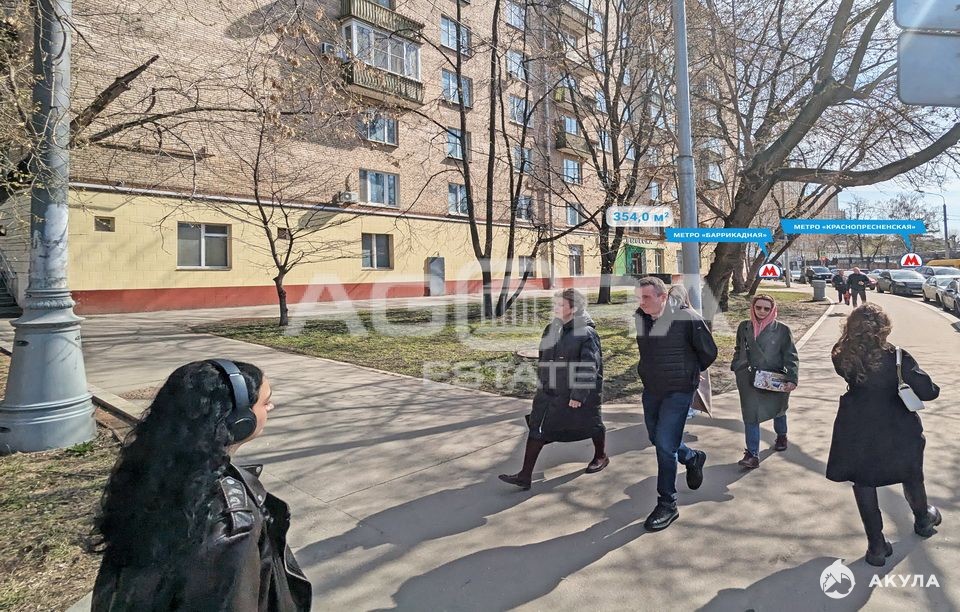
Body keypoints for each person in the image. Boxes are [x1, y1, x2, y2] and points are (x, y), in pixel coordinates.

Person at [90, 360, 312, 611]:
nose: (271, 407)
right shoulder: (231, 524)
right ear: (241, 421)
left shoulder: (155, 472)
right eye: (265, 402)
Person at [828, 304, 942, 567]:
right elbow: (928, 392)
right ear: (884, 328)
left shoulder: (841, 354)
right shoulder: (897, 357)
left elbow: (848, 374)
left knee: (864, 481)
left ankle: (876, 546)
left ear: (851, 326)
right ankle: (923, 520)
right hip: (897, 427)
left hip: (857, 427)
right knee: (911, 473)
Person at [499, 288, 606, 490]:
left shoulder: (587, 334)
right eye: (555, 304)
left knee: (591, 424)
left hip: (574, 392)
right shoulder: (551, 329)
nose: (555, 308)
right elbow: (544, 357)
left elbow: (590, 366)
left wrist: (578, 395)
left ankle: (600, 455)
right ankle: (525, 476)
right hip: (549, 391)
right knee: (537, 428)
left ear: (573, 308)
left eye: (560, 305)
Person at [634, 276, 718, 532]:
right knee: (656, 437)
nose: (641, 302)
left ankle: (667, 504)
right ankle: (692, 457)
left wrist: (689, 371)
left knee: (664, 446)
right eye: (638, 297)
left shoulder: (688, 319)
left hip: (679, 390)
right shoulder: (641, 318)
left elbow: (708, 352)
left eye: (646, 297)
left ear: (663, 297)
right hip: (652, 390)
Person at [731, 295, 799, 468]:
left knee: (778, 410)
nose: (761, 311)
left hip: (774, 378)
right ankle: (752, 454)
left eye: (766, 308)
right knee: (750, 415)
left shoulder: (782, 330)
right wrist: (736, 365)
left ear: (772, 309)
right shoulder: (744, 327)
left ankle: (781, 435)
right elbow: (738, 348)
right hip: (748, 378)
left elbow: (790, 355)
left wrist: (792, 378)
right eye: (758, 307)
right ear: (753, 308)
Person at [668, 284, 713, 420]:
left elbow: (705, 348)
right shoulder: (668, 316)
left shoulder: (690, 316)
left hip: (686, 367)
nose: (673, 300)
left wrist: (697, 368)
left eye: (676, 297)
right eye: (671, 296)